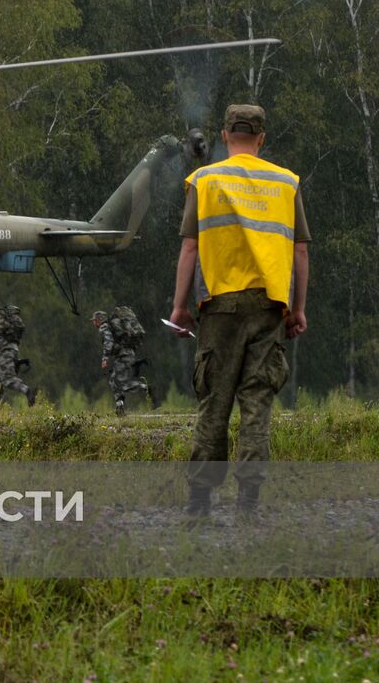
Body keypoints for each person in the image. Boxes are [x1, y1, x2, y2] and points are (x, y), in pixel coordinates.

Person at [169, 103, 309, 519]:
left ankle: (199, 504)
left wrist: (179, 307)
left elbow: (190, 247)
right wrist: (296, 309)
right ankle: (248, 504)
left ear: (225, 136)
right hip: (268, 308)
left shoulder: (204, 180)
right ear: (261, 139)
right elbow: (300, 251)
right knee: (256, 404)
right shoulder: (286, 183)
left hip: (219, 310)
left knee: (214, 403)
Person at [93, 308, 152, 416]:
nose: (93, 322)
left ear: (99, 320)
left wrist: (105, 358)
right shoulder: (112, 326)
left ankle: (146, 388)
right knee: (114, 381)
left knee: (120, 382)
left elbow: (108, 342)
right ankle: (120, 407)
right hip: (126, 355)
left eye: (94, 320)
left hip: (124, 356)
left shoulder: (104, 327)